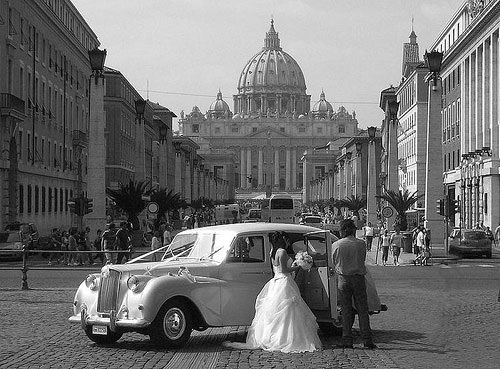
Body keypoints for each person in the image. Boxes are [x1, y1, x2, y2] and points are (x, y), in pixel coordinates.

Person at [223, 231, 321, 353]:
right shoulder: (283, 252)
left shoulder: (272, 252)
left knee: (276, 310)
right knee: (290, 310)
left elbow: (278, 268)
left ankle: (272, 337)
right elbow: (285, 270)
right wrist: (298, 266)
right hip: (284, 281)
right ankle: (287, 338)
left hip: (276, 281)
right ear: (283, 239)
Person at [332, 219, 376, 349]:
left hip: (343, 278)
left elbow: (334, 261)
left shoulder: (337, 245)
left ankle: (347, 339)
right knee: (362, 310)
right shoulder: (361, 244)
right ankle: (367, 339)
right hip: (358, 278)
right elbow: (362, 259)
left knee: (345, 310)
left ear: (342, 231)